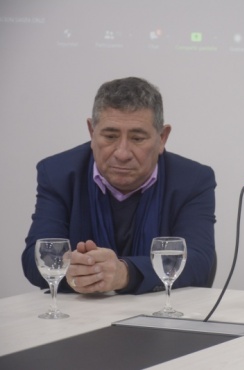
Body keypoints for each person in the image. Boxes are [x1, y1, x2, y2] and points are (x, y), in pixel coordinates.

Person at [22, 77, 216, 294]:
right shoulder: (57, 174)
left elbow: (199, 262)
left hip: (161, 316)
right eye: (110, 136)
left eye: (137, 138)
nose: (122, 153)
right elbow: (34, 259)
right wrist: (79, 270)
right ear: (91, 131)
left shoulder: (193, 180)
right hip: (78, 316)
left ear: (162, 138)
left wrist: (124, 273)